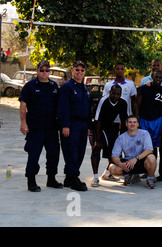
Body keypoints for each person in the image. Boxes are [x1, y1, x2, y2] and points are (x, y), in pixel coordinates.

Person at [19, 60, 62, 192]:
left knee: (54, 154)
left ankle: (51, 179)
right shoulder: (30, 86)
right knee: (34, 155)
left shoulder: (54, 86)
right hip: (35, 127)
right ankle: (31, 181)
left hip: (51, 128)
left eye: (47, 70)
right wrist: (23, 122)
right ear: (37, 71)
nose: (44, 72)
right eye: (41, 70)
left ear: (50, 72)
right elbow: (23, 105)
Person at [57, 60, 91, 191]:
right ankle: (74, 178)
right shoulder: (67, 87)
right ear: (72, 71)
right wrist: (65, 125)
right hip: (71, 124)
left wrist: (88, 126)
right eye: (77, 70)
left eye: (82, 70)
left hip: (82, 124)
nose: (80, 72)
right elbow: (63, 107)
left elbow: (87, 108)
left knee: (80, 152)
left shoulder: (84, 87)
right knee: (71, 152)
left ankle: (69, 178)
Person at [90, 84, 128, 187]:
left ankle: (107, 173)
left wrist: (123, 137)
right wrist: (97, 140)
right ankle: (95, 177)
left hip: (111, 127)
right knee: (96, 148)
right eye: (114, 93)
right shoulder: (103, 101)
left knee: (114, 151)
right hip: (98, 127)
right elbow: (97, 121)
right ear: (110, 92)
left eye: (118, 94)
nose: (116, 96)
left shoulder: (123, 102)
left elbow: (124, 121)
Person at [109, 115, 157, 189]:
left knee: (152, 157)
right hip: (128, 163)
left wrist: (135, 159)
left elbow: (149, 150)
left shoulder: (144, 134)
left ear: (138, 124)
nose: (132, 124)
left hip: (141, 161)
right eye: (130, 122)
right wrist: (121, 164)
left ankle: (150, 178)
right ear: (126, 124)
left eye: (134, 122)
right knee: (111, 168)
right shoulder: (121, 138)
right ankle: (129, 175)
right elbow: (114, 156)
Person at [134, 70, 162, 165]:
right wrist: (136, 121)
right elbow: (137, 105)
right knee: (142, 146)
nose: (157, 79)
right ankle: (141, 170)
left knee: (154, 147)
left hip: (157, 121)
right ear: (152, 77)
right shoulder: (143, 89)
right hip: (143, 120)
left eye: (159, 77)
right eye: (156, 77)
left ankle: (151, 171)